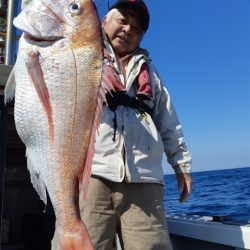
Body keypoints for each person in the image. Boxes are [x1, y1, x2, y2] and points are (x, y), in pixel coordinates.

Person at [53, 0, 192, 249]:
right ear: (103, 20)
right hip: (92, 175)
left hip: (145, 180)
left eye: (137, 28)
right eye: (123, 20)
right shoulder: (77, 53)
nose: (129, 29)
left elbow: (168, 120)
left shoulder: (150, 72)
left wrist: (181, 165)